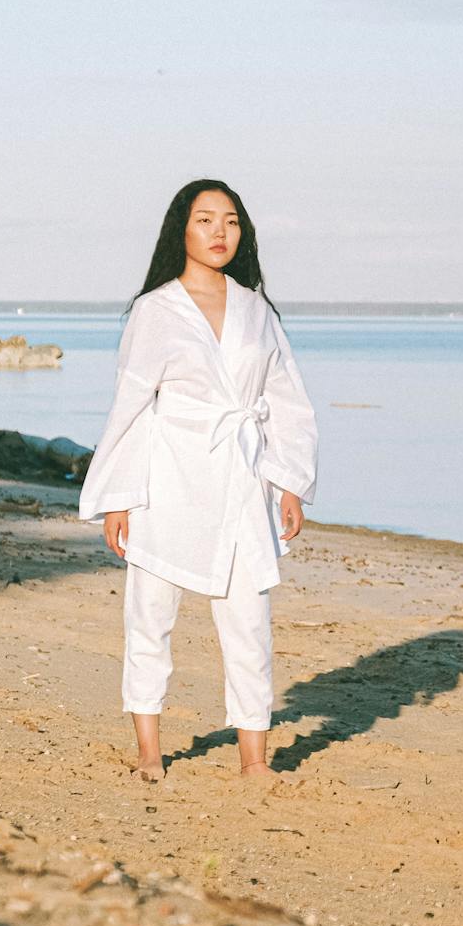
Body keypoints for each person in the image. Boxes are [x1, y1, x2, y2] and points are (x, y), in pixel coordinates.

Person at [80, 179, 319, 781]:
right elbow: (132, 405)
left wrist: (287, 480)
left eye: (230, 221)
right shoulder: (155, 310)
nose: (219, 232)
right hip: (168, 482)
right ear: (180, 231)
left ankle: (254, 760)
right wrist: (118, 498)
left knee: (248, 622)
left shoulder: (256, 310)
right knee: (150, 618)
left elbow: (285, 398)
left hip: (240, 482)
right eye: (205, 220)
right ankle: (149, 753)